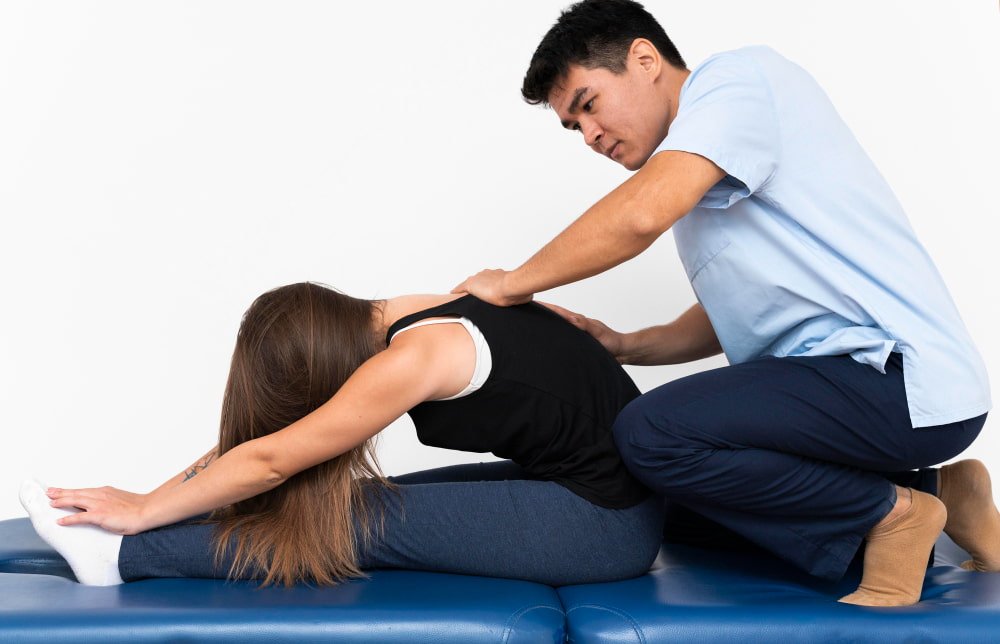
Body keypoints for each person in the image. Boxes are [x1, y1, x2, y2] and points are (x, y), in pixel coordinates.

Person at [452, 0, 997, 606]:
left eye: (588, 105)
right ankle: (945, 494)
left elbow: (638, 216)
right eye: (574, 127)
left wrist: (512, 283)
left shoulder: (740, 81)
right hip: (850, 389)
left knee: (652, 435)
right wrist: (624, 344)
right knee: (658, 495)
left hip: (901, 381)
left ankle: (889, 511)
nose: (590, 136)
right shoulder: (703, 174)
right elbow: (738, 313)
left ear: (643, 58)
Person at [19, 282, 664, 587]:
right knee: (379, 498)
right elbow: (260, 441)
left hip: (603, 527)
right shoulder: (424, 315)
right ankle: (141, 544)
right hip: (598, 497)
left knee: (342, 517)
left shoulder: (420, 357)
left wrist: (141, 523)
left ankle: (121, 563)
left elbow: (271, 459)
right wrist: (145, 503)